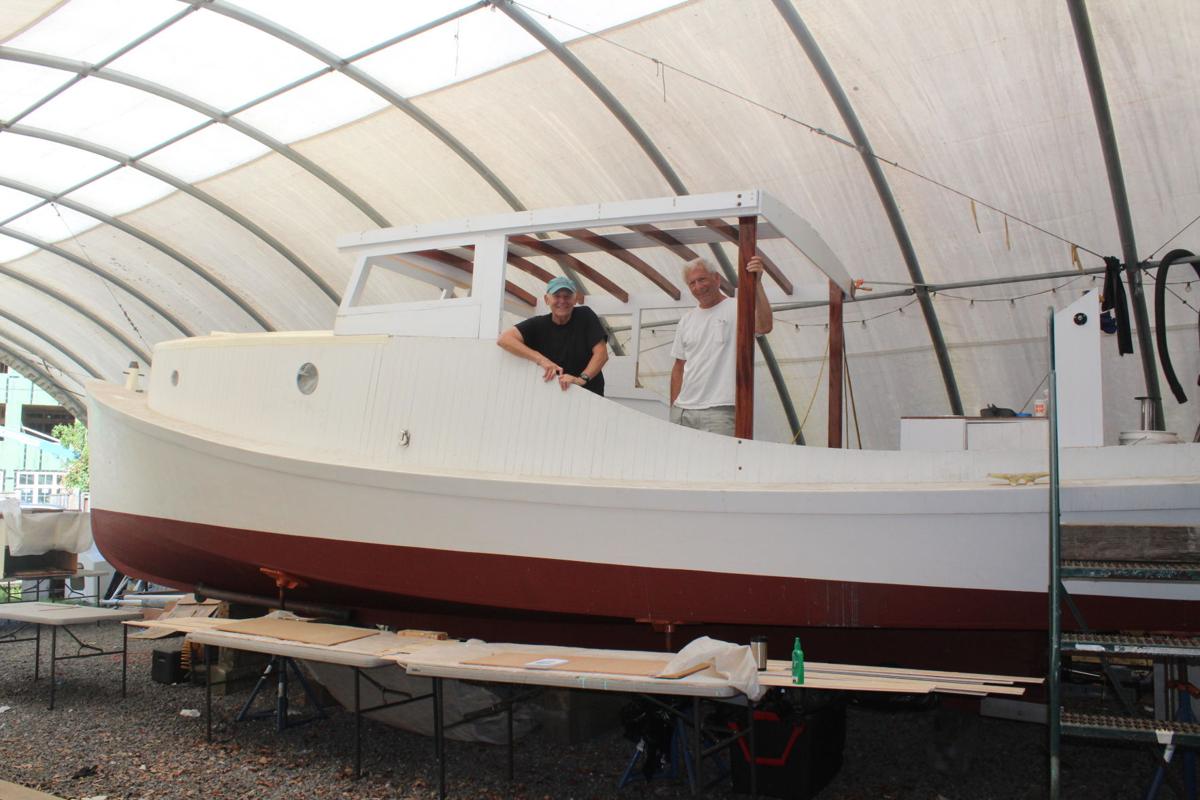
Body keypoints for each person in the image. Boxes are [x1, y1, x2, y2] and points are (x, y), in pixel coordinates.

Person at [670, 256, 773, 435]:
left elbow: (764, 325)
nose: (698, 287)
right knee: (683, 463)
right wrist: (674, 405)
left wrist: (757, 285)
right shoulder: (687, 320)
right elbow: (679, 366)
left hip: (720, 410)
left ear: (716, 278)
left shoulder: (738, 308)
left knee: (721, 462)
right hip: (683, 410)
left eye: (702, 279)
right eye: (692, 283)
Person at [497, 275, 609, 395]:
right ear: (547, 299)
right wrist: (541, 360)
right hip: (554, 396)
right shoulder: (538, 324)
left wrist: (580, 380)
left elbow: (601, 354)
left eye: (567, 296)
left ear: (575, 299)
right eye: (557, 296)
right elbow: (504, 339)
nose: (562, 301)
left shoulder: (585, 315)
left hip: (590, 396)